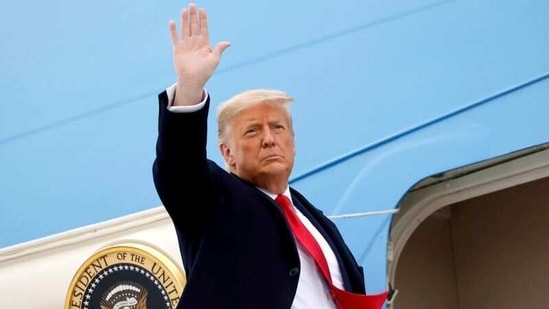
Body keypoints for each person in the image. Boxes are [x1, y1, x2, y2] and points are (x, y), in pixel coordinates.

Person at [152, 3, 389, 309]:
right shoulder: (214, 203)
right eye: (252, 132)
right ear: (227, 153)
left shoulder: (313, 218)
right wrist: (190, 87)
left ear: (293, 143)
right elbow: (179, 168)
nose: (268, 139)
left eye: (278, 128)